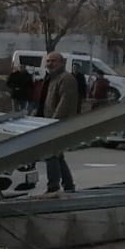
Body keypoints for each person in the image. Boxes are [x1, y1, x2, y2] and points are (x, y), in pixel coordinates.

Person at [40, 52, 83, 192]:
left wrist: (54, 122)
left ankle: (53, 186)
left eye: (53, 61)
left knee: (50, 154)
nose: (50, 63)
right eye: (48, 61)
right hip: (50, 122)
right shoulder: (52, 78)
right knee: (57, 155)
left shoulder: (66, 78)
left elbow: (65, 102)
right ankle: (68, 185)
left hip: (60, 124)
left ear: (62, 63)